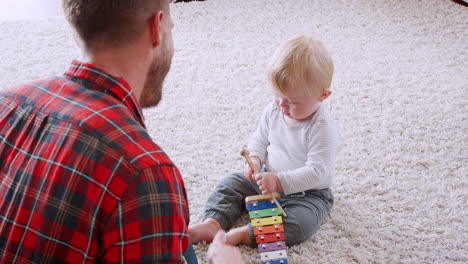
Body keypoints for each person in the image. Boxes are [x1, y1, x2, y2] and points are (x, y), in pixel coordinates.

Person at [0, 0, 242, 263]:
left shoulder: (7, 101)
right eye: (171, 28)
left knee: (174, 234)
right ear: (157, 28)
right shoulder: (145, 174)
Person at [189, 36, 337, 248]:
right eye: (278, 95)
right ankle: (213, 222)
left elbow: (317, 172)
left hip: (307, 195)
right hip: (265, 179)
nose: (282, 105)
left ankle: (244, 234)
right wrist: (256, 160)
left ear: (323, 95)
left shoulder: (322, 127)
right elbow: (260, 138)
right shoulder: (274, 109)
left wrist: (279, 182)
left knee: (300, 224)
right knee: (231, 184)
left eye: (293, 101)